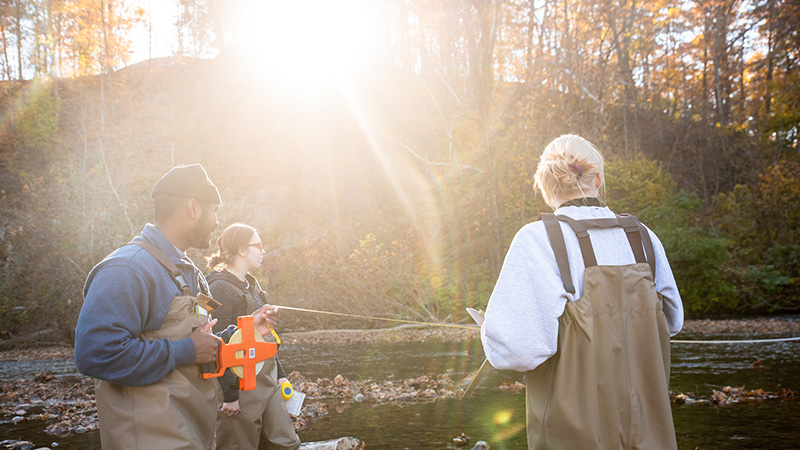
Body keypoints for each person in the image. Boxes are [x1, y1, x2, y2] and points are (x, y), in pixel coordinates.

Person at [480, 135, 684, 449]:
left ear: (545, 187)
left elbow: (516, 350)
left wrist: (490, 331)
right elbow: (672, 322)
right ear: (598, 180)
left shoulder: (537, 239)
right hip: (651, 434)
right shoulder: (644, 238)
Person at [74, 164, 279, 450]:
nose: (218, 222)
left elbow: (200, 343)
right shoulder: (126, 269)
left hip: (192, 432)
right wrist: (187, 350)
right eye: (215, 211)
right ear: (193, 208)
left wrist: (242, 332)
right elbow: (95, 354)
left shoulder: (190, 273)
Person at [206, 223, 301, 450]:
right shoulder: (218, 288)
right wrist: (229, 395)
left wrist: (281, 376)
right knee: (240, 444)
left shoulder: (253, 285)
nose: (263, 250)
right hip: (239, 387)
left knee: (286, 443)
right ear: (241, 250)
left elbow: (265, 336)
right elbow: (218, 346)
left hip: (268, 382)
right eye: (258, 245)